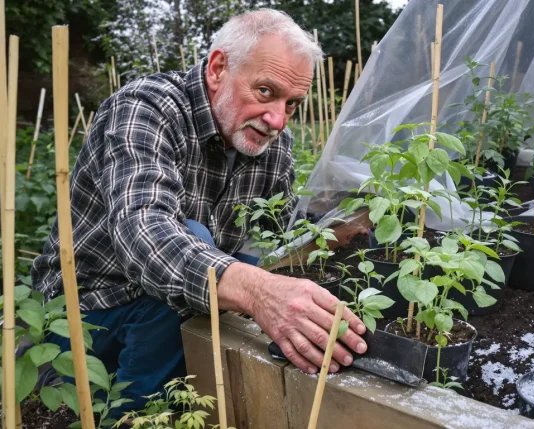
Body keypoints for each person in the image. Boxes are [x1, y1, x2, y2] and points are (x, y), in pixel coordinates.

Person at [32, 9, 367, 411]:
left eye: (292, 104)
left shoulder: (273, 144)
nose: (278, 120)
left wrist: (340, 229)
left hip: (167, 310)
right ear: (218, 68)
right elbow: (145, 234)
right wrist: (258, 293)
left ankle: (178, 395)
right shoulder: (146, 108)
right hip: (85, 310)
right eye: (265, 91)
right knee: (199, 245)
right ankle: (133, 413)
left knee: (252, 264)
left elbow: (277, 236)